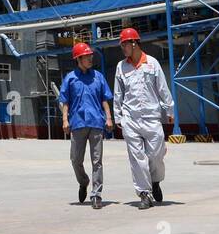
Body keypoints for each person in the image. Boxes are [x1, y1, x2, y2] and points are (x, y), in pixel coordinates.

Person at [112, 27, 173, 209]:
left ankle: (155, 181)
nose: (123, 48)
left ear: (134, 43)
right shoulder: (121, 67)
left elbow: (162, 88)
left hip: (151, 118)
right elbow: (118, 93)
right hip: (130, 118)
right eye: (121, 45)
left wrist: (169, 110)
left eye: (125, 44)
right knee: (137, 157)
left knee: (156, 155)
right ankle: (144, 193)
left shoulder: (152, 64)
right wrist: (118, 116)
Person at [58, 41, 113, 210]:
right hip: (77, 123)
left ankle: (96, 194)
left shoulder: (98, 76)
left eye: (90, 56)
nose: (90, 59)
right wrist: (65, 120)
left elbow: (104, 99)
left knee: (97, 161)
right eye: (87, 57)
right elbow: (65, 101)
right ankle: (83, 181)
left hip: (96, 122)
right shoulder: (70, 78)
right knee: (76, 159)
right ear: (78, 59)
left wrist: (109, 118)